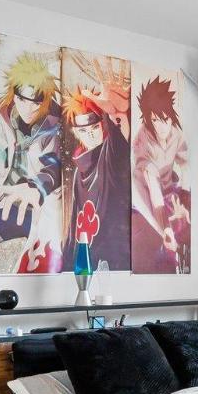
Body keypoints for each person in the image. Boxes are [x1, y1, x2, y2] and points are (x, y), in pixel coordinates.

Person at [0, 52, 62, 273]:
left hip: (34, 203)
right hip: (7, 192)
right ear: (14, 95)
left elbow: (54, 165)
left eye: (36, 103)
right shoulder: (5, 110)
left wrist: (36, 188)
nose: (28, 109)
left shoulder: (54, 125)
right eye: (22, 100)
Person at [60, 65, 132, 272]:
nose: (91, 134)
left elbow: (119, 146)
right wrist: (67, 265)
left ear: (102, 125)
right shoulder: (78, 172)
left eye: (94, 127)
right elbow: (74, 225)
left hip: (114, 259)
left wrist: (117, 115)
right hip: (87, 259)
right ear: (76, 133)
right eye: (84, 130)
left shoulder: (109, 155)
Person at [131, 75, 191, 273]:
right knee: (160, 233)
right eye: (155, 120)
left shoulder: (177, 134)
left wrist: (185, 200)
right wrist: (165, 228)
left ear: (171, 116)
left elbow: (186, 165)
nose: (160, 126)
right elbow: (153, 188)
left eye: (164, 119)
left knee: (183, 223)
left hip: (167, 188)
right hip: (144, 192)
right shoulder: (143, 139)